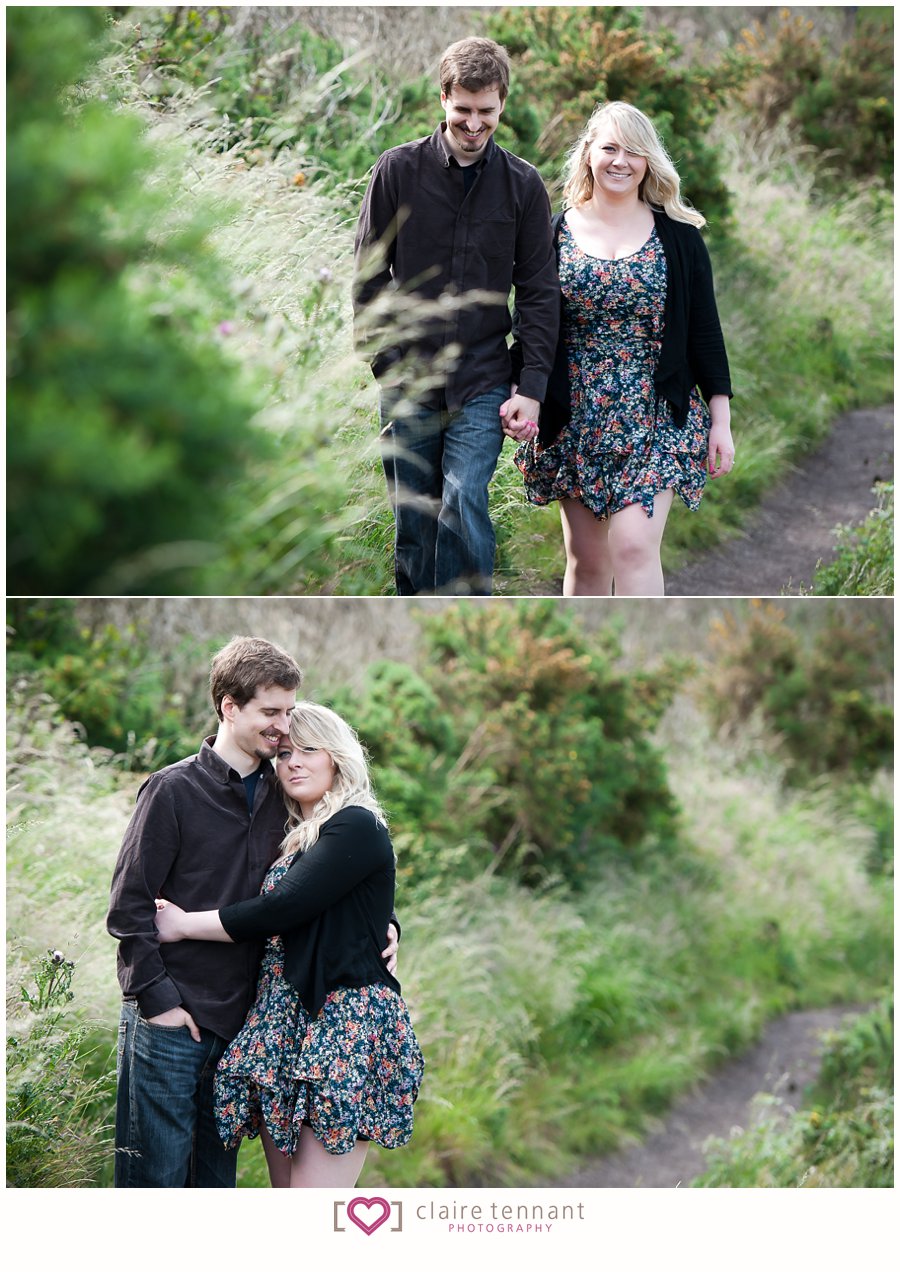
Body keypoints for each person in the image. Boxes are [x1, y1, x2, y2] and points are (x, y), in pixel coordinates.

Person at [106, 636, 400, 1188]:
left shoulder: (287, 796)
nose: (283, 730)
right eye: (271, 714)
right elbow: (129, 907)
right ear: (229, 707)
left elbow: (323, 887)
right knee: (154, 1184)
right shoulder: (173, 790)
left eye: (289, 714)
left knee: (216, 1187)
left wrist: (382, 926)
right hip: (174, 1014)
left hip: (246, 1028)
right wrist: (158, 1002)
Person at [154, 703, 425, 1189]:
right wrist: (385, 922)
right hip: (282, 1021)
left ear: (337, 757)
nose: (293, 762)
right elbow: (342, 902)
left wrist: (181, 925)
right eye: (283, 754)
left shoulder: (356, 823)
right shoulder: (297, 835)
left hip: (342, 1021)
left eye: (308, 750)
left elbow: (286, 906)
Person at [352, 36, 560, 596]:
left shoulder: (523, 187)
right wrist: (384, 360)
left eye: (486, 112)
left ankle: (469, 617)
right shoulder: (396, 171)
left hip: (485, 378)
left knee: (465, 498)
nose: (473, 124)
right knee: (415, 520)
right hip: (409, 376)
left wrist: (531, 386)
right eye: (462, 110)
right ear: (443, 98)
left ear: (502, 106)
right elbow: (369, 275)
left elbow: (539, 291)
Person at [513, 100, 735, 596]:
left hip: (655, 412)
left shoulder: (679, 240)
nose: (620, 161)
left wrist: (720, 420)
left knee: (634, 548)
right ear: (588, 153)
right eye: (609, 148)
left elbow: (705, 332)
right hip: (575, 416)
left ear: (649, 161)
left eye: (633, 151)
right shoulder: (552, 234)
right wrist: (521, 391)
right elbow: (533, 324)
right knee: (588, 561)